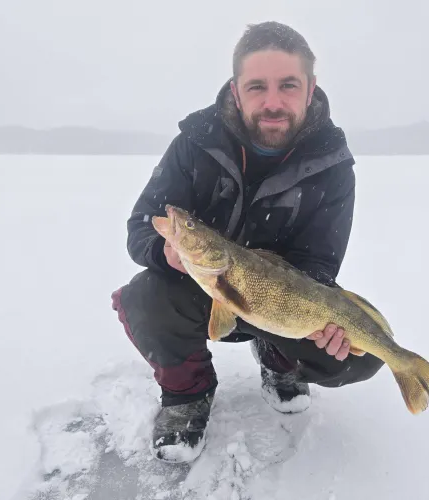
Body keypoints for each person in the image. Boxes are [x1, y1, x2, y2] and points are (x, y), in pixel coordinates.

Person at [111, 21, 385, 463]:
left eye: (288, 85)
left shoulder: (332, 164)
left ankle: (278, 359)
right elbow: (142, 224)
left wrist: (314, 324)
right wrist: (164, 249)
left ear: (310, 89)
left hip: (284, 302)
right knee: (144, 297)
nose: (272, 102)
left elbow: (318, 262)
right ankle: (186, 396)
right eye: (257, 86)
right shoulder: (194, 144)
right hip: (207, 287)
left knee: (359, 358)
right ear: (236, 91)